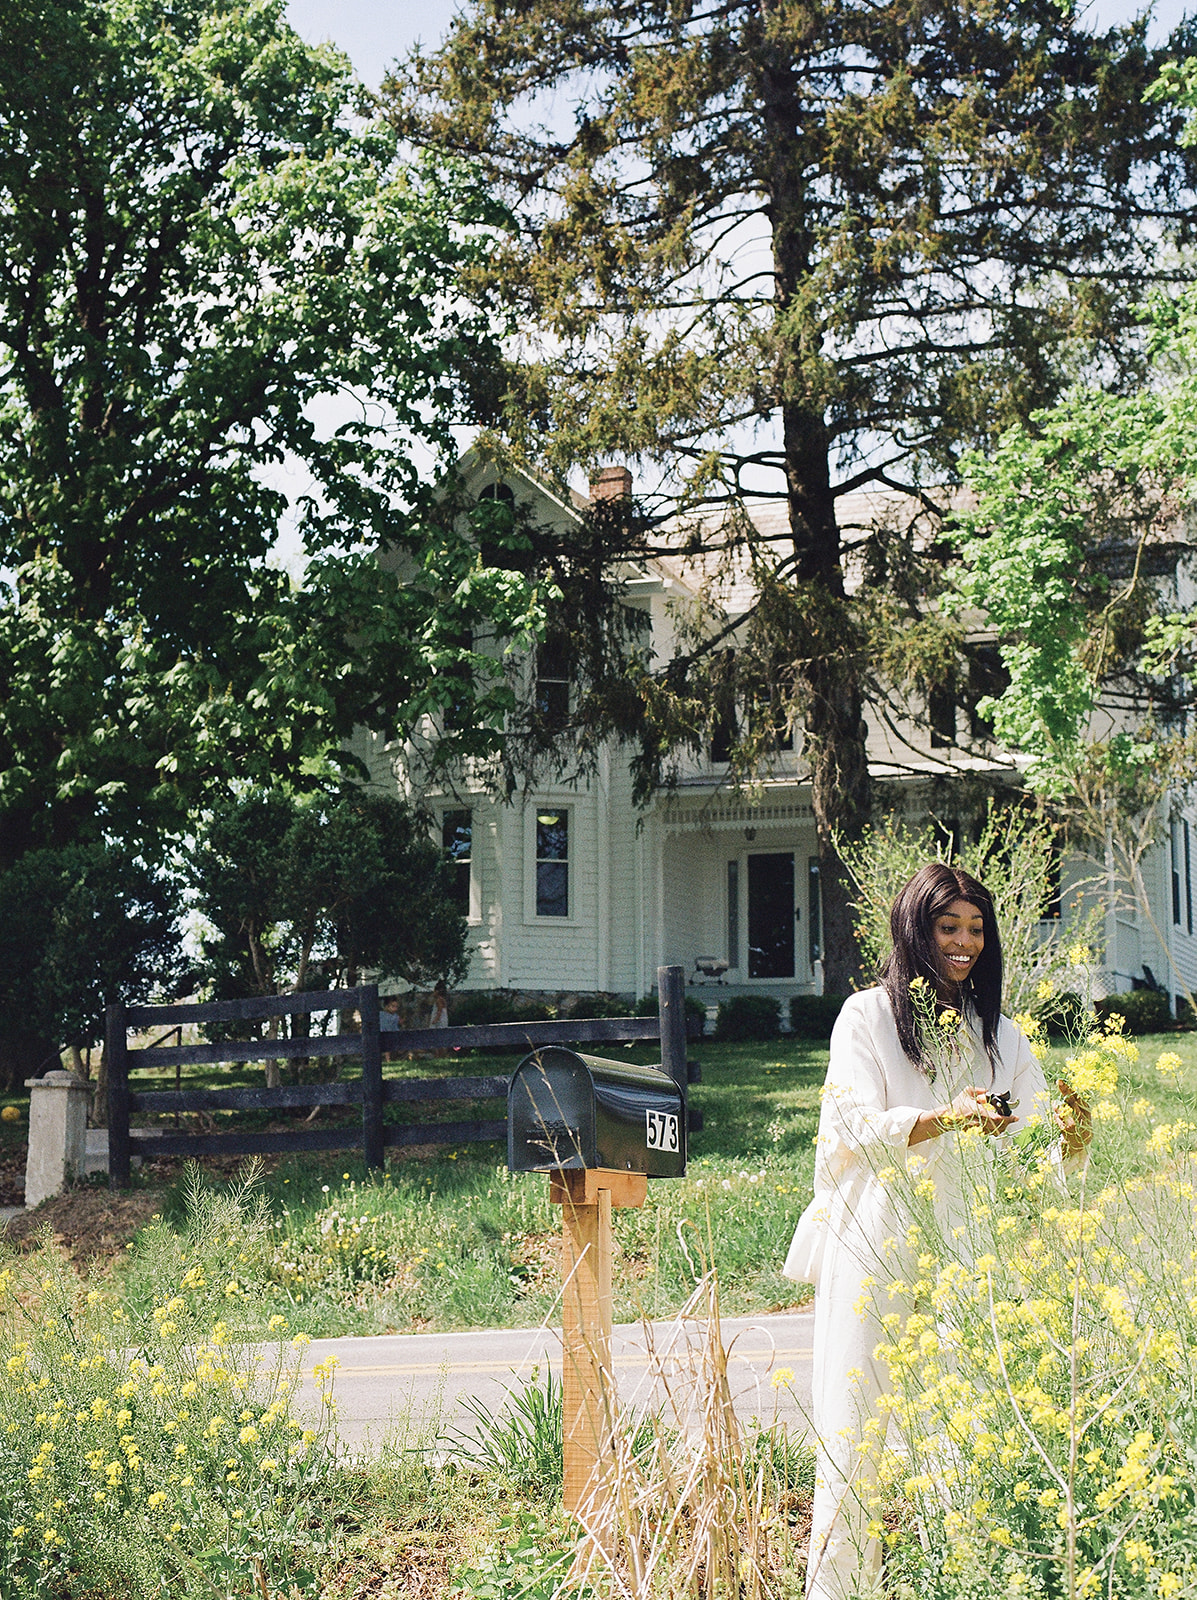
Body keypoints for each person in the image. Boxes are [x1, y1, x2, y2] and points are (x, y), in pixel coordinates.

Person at [783, 862, 1091, 1600]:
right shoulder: (863, 1016)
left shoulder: (999, 1035)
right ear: (913, 932)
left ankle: (961, 1581)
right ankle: (838, 1590)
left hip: (962, 1242)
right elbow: (851, 1121)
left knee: (963, 1425)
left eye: (975, 928)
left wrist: (1072, 1137)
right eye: (947, 927)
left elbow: (1031, 1140)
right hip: (874, 1234)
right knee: (852, 1426)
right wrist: (942, 1117)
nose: (963, 943)